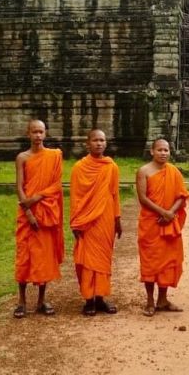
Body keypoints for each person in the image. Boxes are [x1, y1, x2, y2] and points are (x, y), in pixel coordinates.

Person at [13, 119, 64, 319]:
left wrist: (37, 197)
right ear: (28, 133)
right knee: (24, 257)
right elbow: (19, 187)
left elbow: (57, 184)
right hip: (27, 214)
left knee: (43, 257)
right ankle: (22, 301)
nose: (38, 136)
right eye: (34, 132)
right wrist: (28, 212)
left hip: (46, 211)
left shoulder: (54, 156)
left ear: (46, 133)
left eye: (41, 132)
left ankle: (42, 300)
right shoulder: (22, 157)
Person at [70, 129, 122, 316]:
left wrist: (117, 219)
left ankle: (100, 298)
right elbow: (76, 196)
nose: (99, 143)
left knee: (103, 259)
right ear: (88, 144)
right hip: (86, 219)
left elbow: (115, 194)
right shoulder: (79, 167)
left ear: (106, 144)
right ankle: (88, 299)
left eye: (102, 140)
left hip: (105, 217)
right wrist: (75, 222)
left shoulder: (111, 166)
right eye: (95, 140)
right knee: (87, 260)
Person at [136, 138, 189, 316]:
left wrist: (170, 213)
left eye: (166, 150)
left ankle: (163, 299)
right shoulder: (144, 171)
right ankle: (150, 301)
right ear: (152, 151)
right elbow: (143, 198)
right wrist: (162, 212)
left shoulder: (173, 171)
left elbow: (182, 195)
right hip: (151, 223)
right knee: (151, 262)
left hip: (169, 222)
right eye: (159, 150)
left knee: (168, 262)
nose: (163, 153)